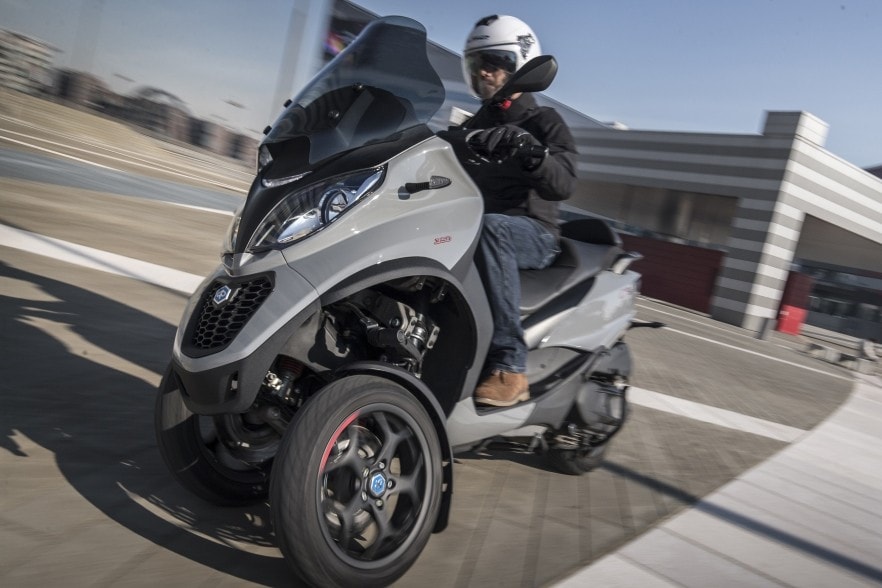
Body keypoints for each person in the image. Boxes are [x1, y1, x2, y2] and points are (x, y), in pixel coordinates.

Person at [460, 15, 578, 406]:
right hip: (478, 227)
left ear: (518, 66)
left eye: (492, 62)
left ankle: (511, 367)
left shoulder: (544, 121)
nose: (484, 72)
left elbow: (564, 183)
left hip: (532, 233)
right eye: (478, 64)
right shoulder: (474, 125)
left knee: (493, 227)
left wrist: (532, 152)